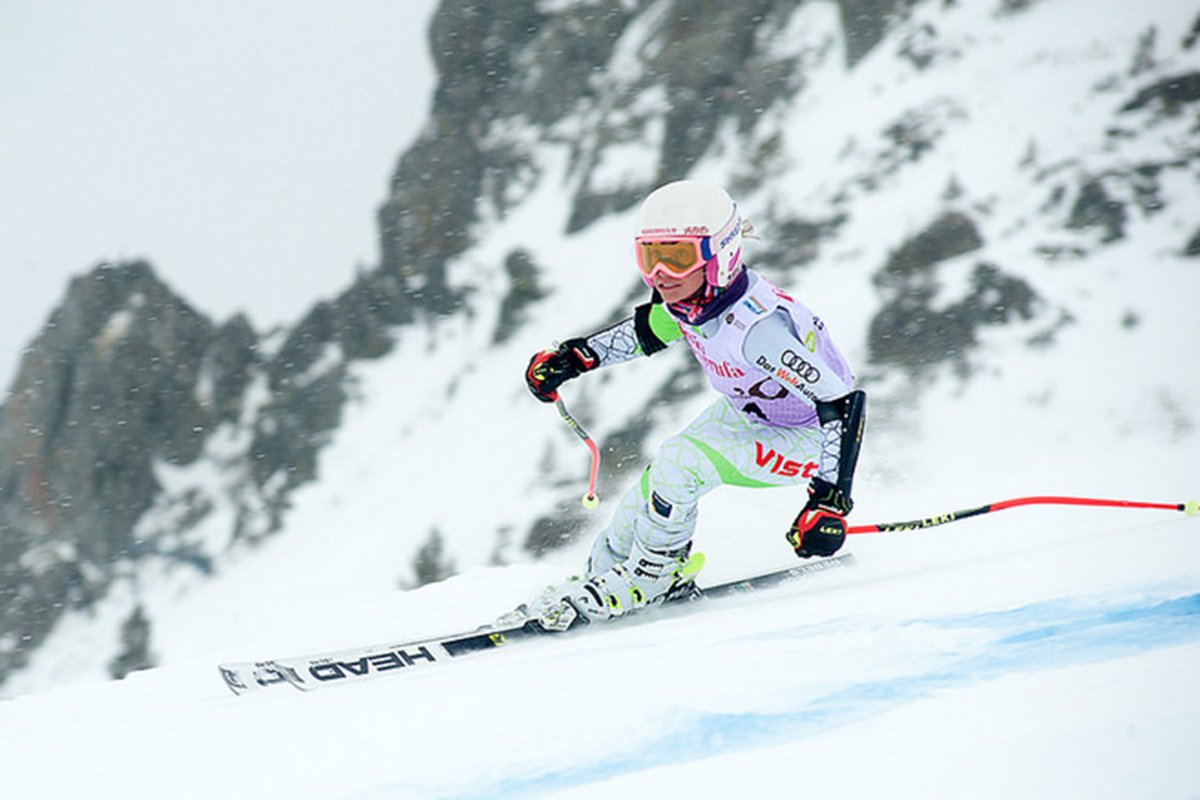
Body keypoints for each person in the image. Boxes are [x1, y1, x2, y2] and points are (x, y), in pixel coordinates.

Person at [523, 180, 865, 630]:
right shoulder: (694, 302)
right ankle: (605, 575)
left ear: (719, 256)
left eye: (679, 255)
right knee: (653, 485)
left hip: (806, 436)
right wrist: (573, 358)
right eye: (650, 255)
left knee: (681, 463)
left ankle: (654, 575)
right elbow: (646, 333)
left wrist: (829, 501)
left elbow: (841, 402)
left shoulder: (757, 329)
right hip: (751, 414)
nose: (661, 272)